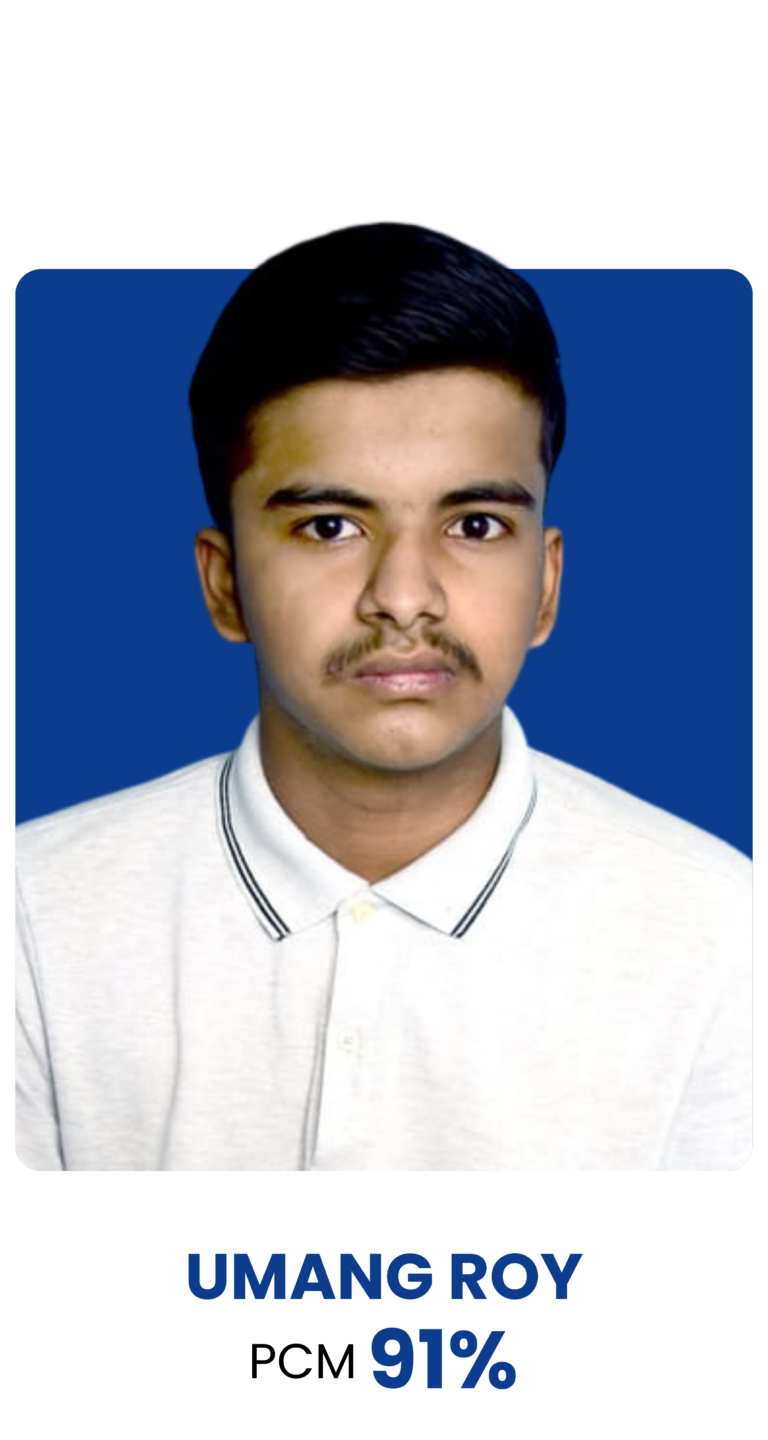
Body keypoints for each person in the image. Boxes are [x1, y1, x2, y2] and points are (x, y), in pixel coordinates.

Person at [14, 231, 752, 1172]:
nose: (405, 598)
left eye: (474, 524)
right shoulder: (34, 921)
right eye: (330, 526)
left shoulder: (724, 936)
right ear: (224, 583)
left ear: (548, 584)